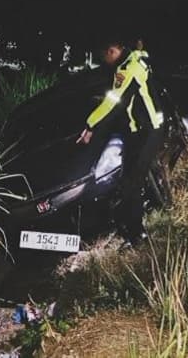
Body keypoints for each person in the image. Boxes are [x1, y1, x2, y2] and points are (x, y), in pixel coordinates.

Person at [76, 39, 164, 247]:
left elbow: (112, 101)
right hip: (141, 130)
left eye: (104, 56)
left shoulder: (127, 69)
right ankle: (134, 226)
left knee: (130, 185)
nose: (104, 61)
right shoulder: (136, 58)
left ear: (112, 51)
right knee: (129, 180)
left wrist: (90, 125)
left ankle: (137, 237)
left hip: (149, 131)